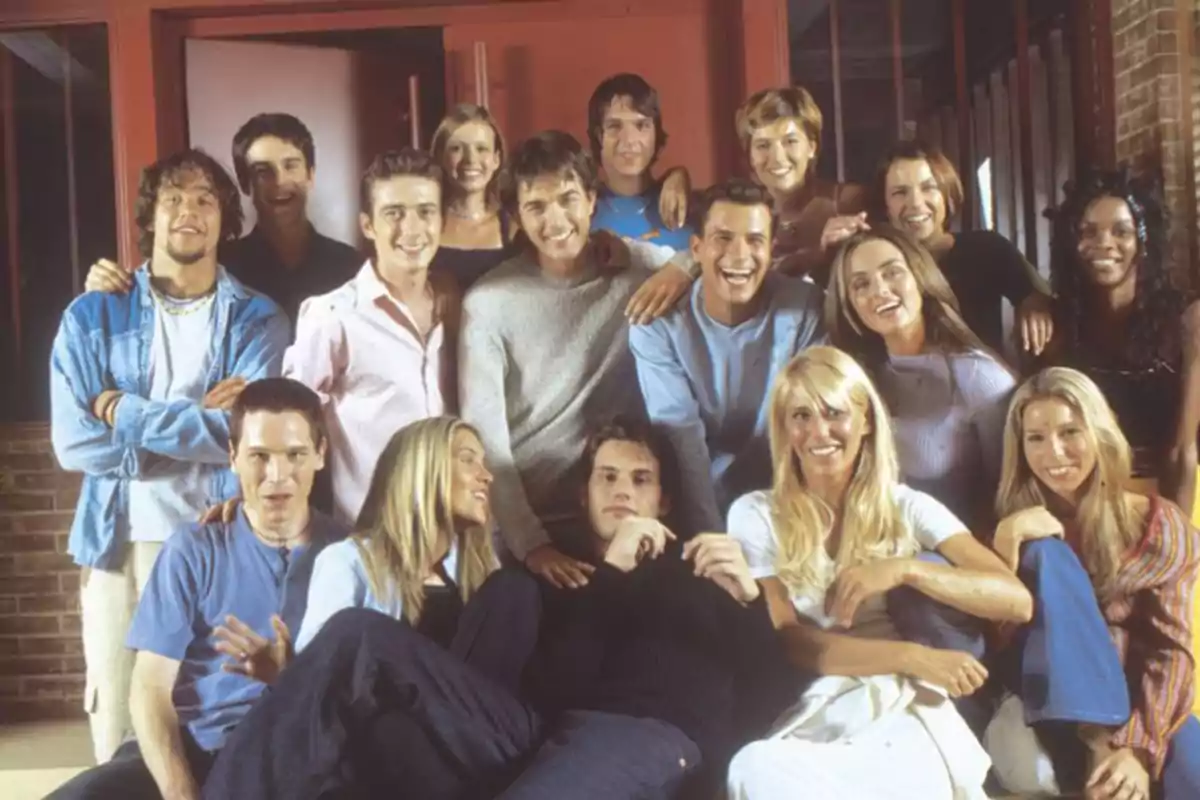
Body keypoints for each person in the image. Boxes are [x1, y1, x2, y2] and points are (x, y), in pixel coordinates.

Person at [201, 417, 795, 799]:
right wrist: (609, 574)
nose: (622, 491)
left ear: (663, 500)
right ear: (581, 495)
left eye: (639, 481)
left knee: (368, 636)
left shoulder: (703, 571)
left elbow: (772, 697)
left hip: (634, 736)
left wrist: (748, 602)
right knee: (377, 675)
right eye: (607, 477)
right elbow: (554, 689)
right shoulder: (554, 581)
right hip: (526, 734)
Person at [49, 148, 290, 764]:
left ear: (225, 220)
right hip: (120, 542)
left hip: (219, 538)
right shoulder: (92, 313)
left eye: (206, 199)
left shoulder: (257, 318)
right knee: (117, 715)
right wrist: (199, 434)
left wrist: (124, 413)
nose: (189, 211)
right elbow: (74, 443)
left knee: (212, 714)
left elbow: (244, 439)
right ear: (149, 217)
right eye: (173, 198)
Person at [725, 345, 1032, 799]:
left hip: (906, 706)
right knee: (752, 768)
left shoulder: (908, 506)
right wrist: (911, 657)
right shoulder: (755, 513)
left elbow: (1015, 600)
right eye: (801, 416)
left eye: (834, 413)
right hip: (821, 703)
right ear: (784, 429)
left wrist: (906, 569)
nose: (819, 432)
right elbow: (791, 639)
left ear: (865, 420)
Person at [46, 378, 346, 800]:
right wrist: (180, 791)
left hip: (289, 752)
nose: (277, 476)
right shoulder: (195, 548)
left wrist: (290, 677)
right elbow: (151, 687)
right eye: (259, 456)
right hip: (192, 745)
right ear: (233, 457)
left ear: (320, 455)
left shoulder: (349, 557)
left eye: (295, 455)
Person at [458, 129, 698, 588]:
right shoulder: (488, 302)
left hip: (617, 512)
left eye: (568, 198)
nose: (555, 220)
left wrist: (682, 267)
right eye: (536, 207)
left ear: (592, 199)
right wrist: (532, 546)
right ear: (517, 218)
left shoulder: (634, 269)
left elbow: (707, 255)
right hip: (528, 525)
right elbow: (486, 436)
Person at [985, 366, 1200, 800]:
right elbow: (994, 645)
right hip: (1046, 706)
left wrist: (1137, 747)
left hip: (1138, 699)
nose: (1055, 453)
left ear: (1099, 432)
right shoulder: (1016, 531)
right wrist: (1006, 546)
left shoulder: (1158, 526)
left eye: (1070, 432)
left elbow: (1171, 651)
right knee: (1046, 552)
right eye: (1036, 438)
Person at [629, 178, 825, 536]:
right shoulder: (657, 324)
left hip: (786, 502)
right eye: (722, 238)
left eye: (754, 240)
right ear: (696, 249)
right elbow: (682, 438)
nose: (739, 255)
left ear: (771, 249)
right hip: (693, 506)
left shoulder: (805, 309)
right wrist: (716, 541)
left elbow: (811, 431)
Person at [283, 148, 457, 524]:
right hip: (372, 539)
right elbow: (288, 427)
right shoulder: (333, 315)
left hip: (454, 539)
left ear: (442, 220)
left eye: (425, 212)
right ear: (367, 225)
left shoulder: (457, 307)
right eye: (394, 213)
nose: (411, 229)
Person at [826, 224, 1017, 534]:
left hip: (960, 557)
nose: (879, 291)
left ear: (920, 277)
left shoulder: (981, 378)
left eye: (892, 273)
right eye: (860, 284)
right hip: (874, 551)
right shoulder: (854, 380)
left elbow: (1008, 499)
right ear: (850, 306)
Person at [84, 113, 361, 324]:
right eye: (263, 171)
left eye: (291, 166)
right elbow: (162, 301)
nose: (279, 182)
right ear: (245, 183)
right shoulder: (217, 264)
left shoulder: (352, 268)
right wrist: (106, 287)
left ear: (310, 174)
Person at [1043, 167, 1200, 520]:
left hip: (1179, 493)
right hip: (1097, 501)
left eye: (1121, 231)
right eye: (1089, 232)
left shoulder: (1188, 321)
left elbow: (1183, 451)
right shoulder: (1061, 326)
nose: (1104, 243)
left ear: (1144, 241)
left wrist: (1178, 546)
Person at [294, 416, 497, 651]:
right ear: (421, 469)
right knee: (358, 626)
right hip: (380, 685)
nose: (487, 476)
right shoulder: (348, 561)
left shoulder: (482, 572)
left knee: (516, 589)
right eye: (467, 459)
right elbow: (320, 669)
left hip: (470, 688)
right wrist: (283, 672)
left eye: (484, 463)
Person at [847, 139, 1054, 358]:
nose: (916, 203)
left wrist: (1035, 308)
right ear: (885, 206)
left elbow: (1038, 294)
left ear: (948, 195)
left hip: (982, 384)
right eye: (900, 192)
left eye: (929, 188)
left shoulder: (987, 248)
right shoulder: (874, 267)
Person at [736, 85, 867, 284]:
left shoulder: (846, 202)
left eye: (790, 141)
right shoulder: (743, 214)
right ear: (750, 156)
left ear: (812, 147)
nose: (777, 158)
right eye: (763, 145)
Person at [587, 73, 692, 251]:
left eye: (641, 126)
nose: (629, 140)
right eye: (614, 126)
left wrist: (681, 175)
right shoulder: (582, 209)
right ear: (599, 136)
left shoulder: (685, 204)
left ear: (655, 134)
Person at [428, 104, 518, 290]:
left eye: (481, 148)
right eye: (456, 148)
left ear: (496, 159)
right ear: (440, 157)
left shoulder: (514, 228)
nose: (470, 160)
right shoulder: (425, 223)